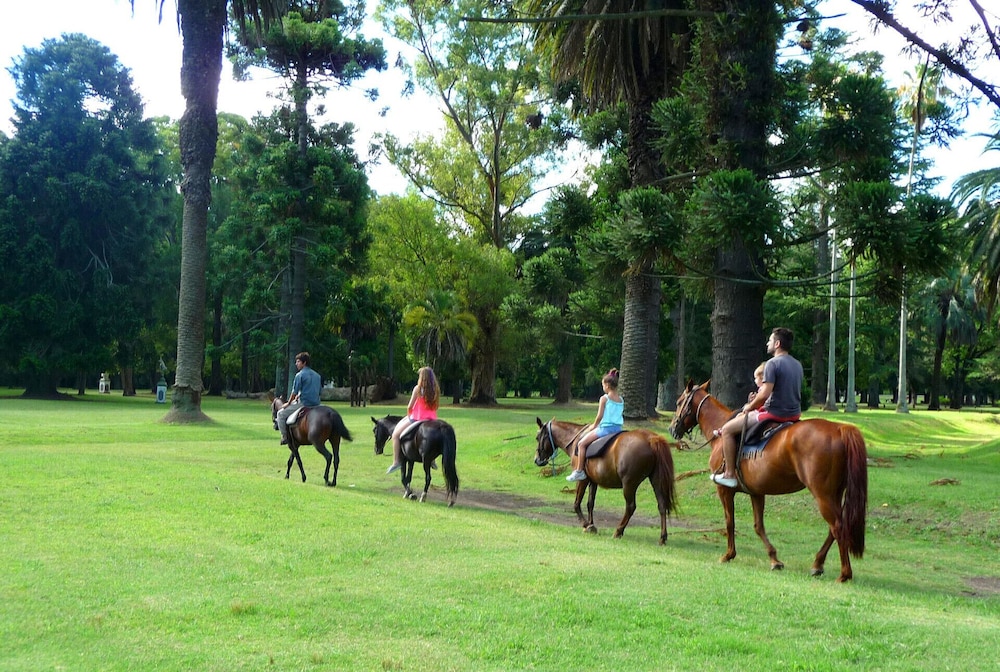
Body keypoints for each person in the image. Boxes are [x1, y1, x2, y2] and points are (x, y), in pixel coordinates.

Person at [711, 328, 803, 488]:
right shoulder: (797, 364)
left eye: (770, 340)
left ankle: (729, 474)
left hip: (774, 413)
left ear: (777, 344)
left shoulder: (772, 364)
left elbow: (765, 394)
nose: (767, 343)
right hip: (794, 415)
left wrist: (749, 406)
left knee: (727, 430)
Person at [566, 369, 624, 482]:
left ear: (607, 385)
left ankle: (579, 471)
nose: (603, 387)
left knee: (581, 444)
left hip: (605, 429)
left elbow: (599, 416)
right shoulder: (621, 399)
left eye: (603, 385)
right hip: (618, 429)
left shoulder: (604, 398)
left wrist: (594, 426)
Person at [386, 366, 440, 474]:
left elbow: (410, 406)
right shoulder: (435, 390)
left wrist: (409, 415)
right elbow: (436, 406)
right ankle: (432, 460)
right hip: (432, 419)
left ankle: (396, 462)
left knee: (395, 435)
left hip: (417, 417)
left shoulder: (418, 389)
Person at [276, 352, 322, 446]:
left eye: (298, 361)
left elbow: (294, 392)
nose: (296, 364)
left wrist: (288, 403)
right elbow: (319, 391)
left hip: (304, 403)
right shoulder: (317, 375)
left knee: (280, 414)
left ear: (304, 363)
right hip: (317, 404)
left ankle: (285, 437)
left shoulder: (299, 375)